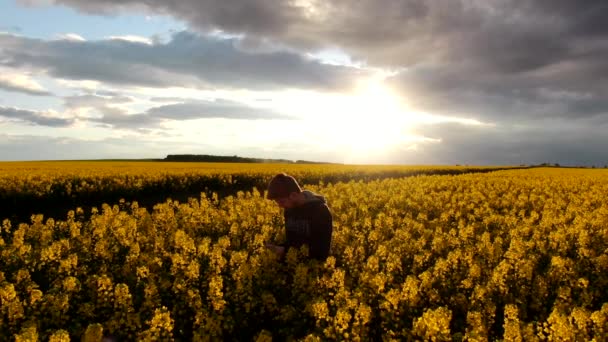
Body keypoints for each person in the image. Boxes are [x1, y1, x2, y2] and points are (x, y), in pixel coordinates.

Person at [265, 173, 333, 261]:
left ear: (293, 195)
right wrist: (277, 248)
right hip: (292, 264)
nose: (280, 206)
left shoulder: (320, 211)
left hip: (311, 268)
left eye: (282, 202)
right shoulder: (289, 210)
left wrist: (283, 251)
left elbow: (321, 252)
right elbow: (291, 242)